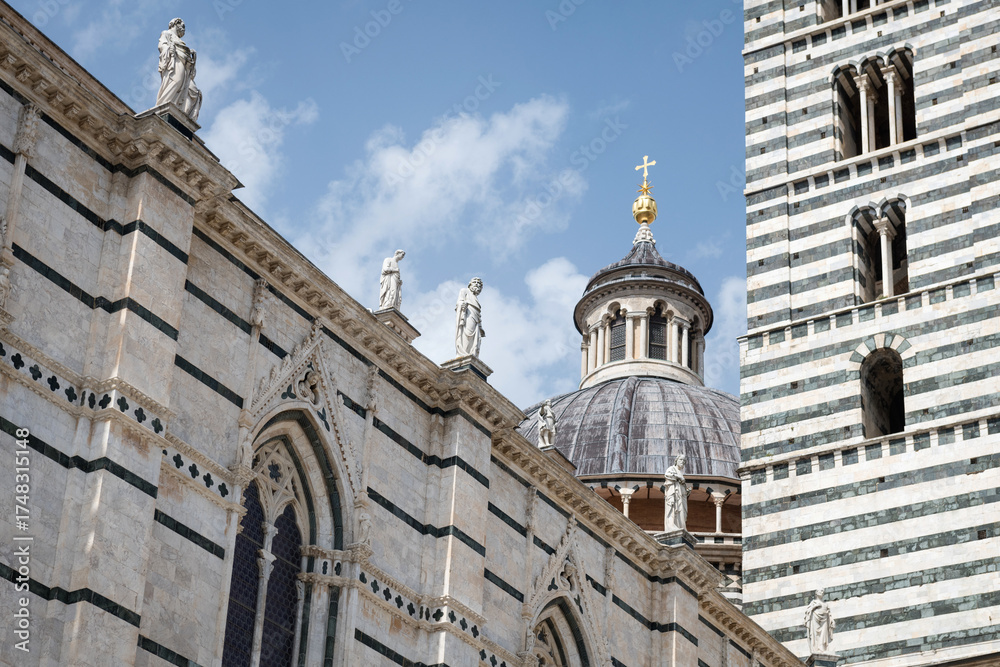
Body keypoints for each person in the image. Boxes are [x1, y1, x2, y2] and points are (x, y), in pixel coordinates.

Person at [155, 19, 202, 122]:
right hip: (175, 60)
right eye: (183, 26)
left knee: (190, 89)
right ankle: (164, 107)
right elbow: (162, 45)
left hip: (184, 65)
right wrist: (168, 48)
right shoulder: (167, 33)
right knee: (176, 81)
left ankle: (181, 113)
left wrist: (192, 56)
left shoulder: (181, 41)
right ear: (176, 23)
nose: (184, 30)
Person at [455, 278, 485, 357]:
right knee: (467, 334)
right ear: (470, 284)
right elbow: (459, 302)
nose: (477, 284)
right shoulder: (464, 291)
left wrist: (481, 326)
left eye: (479, 283)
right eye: (474, 282)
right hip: (468, 314)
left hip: (476, 319)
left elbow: (478, 313)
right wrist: (462, 304)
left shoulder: (476, 299)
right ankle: (463, 353)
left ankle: (471, 354)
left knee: (475, 340)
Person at [804, 589, 836, 654]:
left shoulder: (825, 604)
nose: (822, 592)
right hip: (815, 618)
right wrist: (815, 606)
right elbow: (808, 612)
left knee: (824, 633)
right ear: (816, 592)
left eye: (823, 591)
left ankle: (822, 648)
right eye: (820, 591)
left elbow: (829, 614)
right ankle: (816, 648)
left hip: (825, 619)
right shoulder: (813, 602)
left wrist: (832, 620)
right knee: (815, 634)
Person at [663, 454, 688, 531]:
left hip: (680, 496)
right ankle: (671, 525)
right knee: (672, 508)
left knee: (683, 511)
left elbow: (681, 486)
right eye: (681, 460)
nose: (682, 462)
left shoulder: (680, 472)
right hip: (673, 494)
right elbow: (667, 475)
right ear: (676, 461)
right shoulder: (672, 469)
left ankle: (681, 526)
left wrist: (686, 491)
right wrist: (678, 477)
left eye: (684, 461)